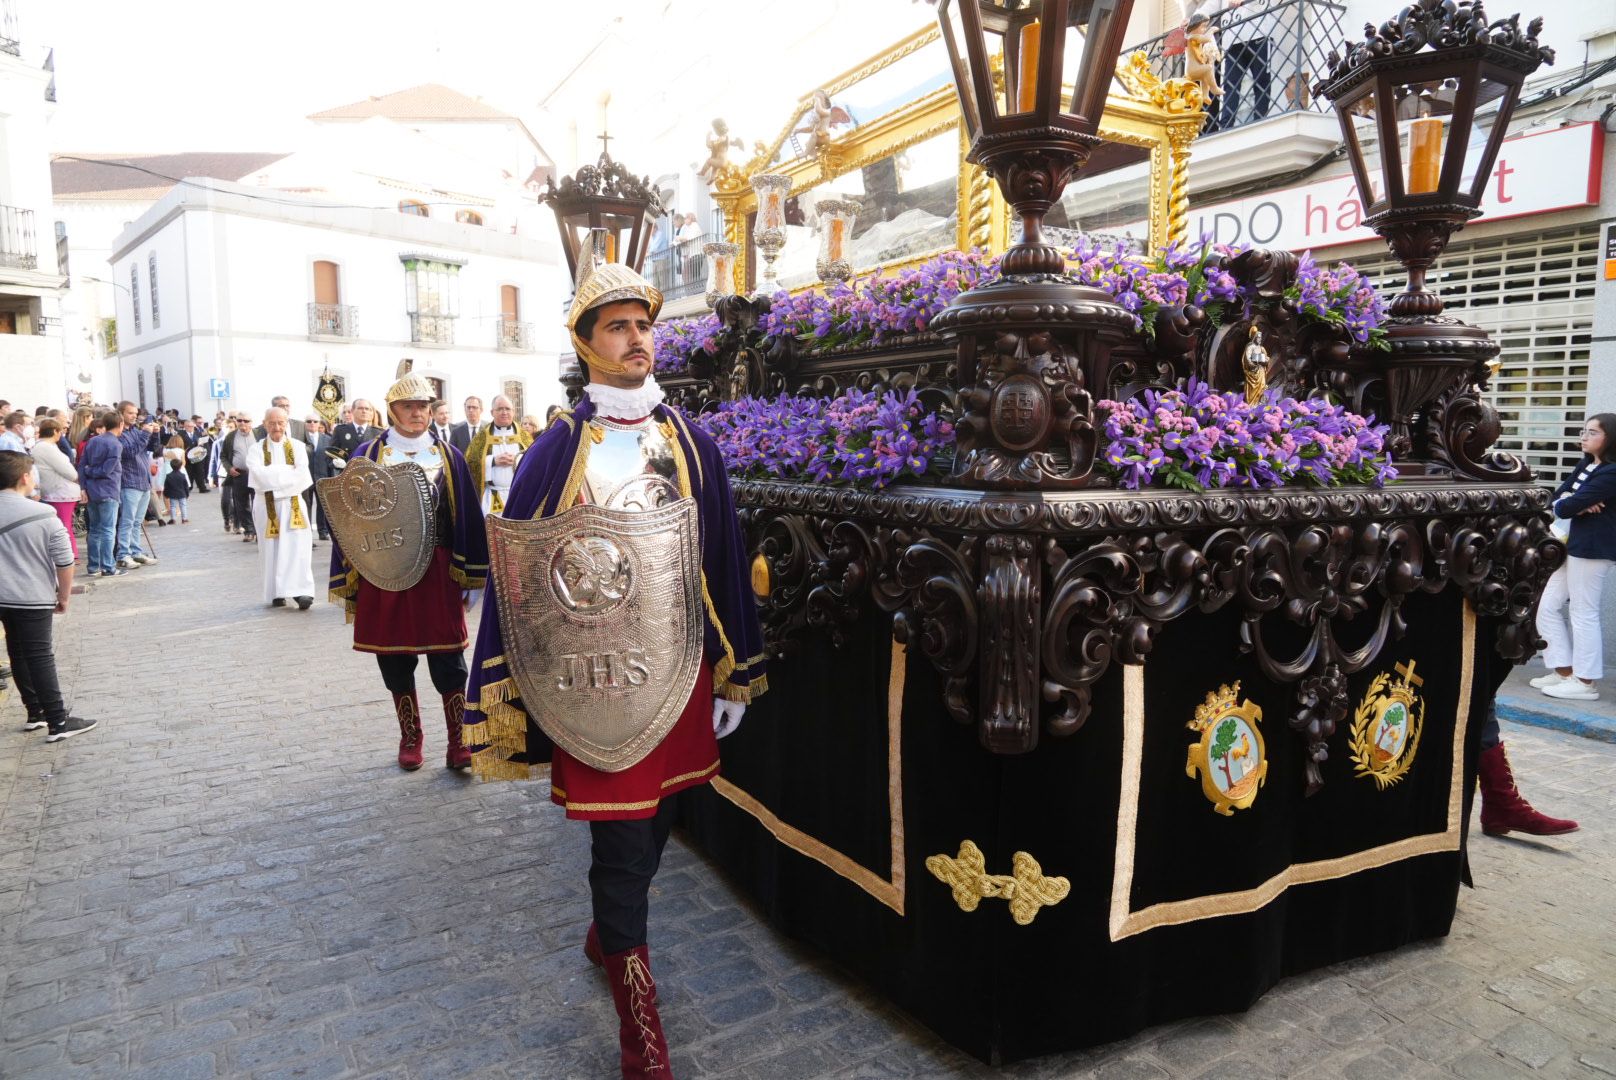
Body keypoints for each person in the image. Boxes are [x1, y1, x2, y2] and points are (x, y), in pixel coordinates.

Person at [463, 261, 765, 1077]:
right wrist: (512, 681)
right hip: (595, 679)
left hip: (678, 671)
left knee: (661, 817)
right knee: (623, 845)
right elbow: (516, 575)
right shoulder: (556, 451)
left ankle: (607, 937)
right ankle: (639, 1021)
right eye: (618, 327)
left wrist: (733, 668)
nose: (637, 340)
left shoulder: (689, 442)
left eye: (643, 325)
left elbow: (724, 556)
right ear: (587, 345)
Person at [328, 374, 488, 770]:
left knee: (448, 659)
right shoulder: (368, 454)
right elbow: (348, 518)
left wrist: (469, 577)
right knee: (395, 659)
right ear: (392, 410)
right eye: (408, 406)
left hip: (438, 571)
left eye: (423, 406)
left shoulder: (449, 456)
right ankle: (411, 735)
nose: (417, 413)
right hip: (385, 571)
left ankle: (459, 740)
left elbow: (466, 515)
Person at [0, 451, 95, 741]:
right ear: (25, 478)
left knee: (17, 651)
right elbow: (65, 561)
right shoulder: (42, 514)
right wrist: (64, 596)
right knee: (40, 655)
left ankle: (35, 713)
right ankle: (58, 721)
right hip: (31, 594)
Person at [1534, 413, 1616, 702]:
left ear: (1610, 438)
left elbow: (1568, 505)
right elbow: (1558, 499)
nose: (1584, 437)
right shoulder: (1587, 464)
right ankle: (1564, 671)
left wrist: (1571, 505)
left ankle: (1585, 682)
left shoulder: (1610, 472)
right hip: (1570, 544)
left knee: (1583, 612)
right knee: (1546, 606)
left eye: (1593, 432)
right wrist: (1573, 505)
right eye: (1584, 431)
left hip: (1593, 549)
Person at [249, 408, 316, 610]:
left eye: (280, 422)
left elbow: (301, 475)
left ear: (287, 423)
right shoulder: (256, 449)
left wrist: (273, 477)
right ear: (264, 424)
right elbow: (258, 475)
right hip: (266, 506)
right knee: (271, 549)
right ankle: (276, 592)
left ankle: (300, 591)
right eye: (272, 423)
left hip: (292, 504)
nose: (276, 427)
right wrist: (286, 473)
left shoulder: (297, 446)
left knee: (298, 548)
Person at [113, 401, 161, 568]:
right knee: (127, 520)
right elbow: (129, 452)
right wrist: (145, 434)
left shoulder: (136, 431)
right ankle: (123, 554)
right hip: (129, 481)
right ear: (121, 414)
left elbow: (153, 448)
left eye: (135, 413)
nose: (134, 416)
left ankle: (136, 551)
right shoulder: (119, 434)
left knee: (137, 521)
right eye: (130, 413)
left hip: (143, 480)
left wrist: (154, 434)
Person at [78, 411, 126, 577]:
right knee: (107, 530)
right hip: (108, 490)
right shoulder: (115, 444)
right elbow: (106, 470)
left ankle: (93, 567)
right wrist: (90, 471)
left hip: (92, 490)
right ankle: (108, 566)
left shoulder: (93, 441)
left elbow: (82, 464)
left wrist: (84, 485)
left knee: (95, 530)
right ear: (120, 425)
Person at [465, 394, 530, 515]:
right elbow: (470, 462)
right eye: (499, 409)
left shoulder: (524, 436)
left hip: (519, 495)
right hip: (493, 496)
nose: (504, 412)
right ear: (492, 412)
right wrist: (493, 461)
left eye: (507, 409)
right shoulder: (482, 437)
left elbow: (535, 462)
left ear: (513, 411)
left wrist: (518, 460)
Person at [30, 420, 80, 560]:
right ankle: (70, 555)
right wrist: (76, 476)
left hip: (56, 491)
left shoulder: (43, 446)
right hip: (59, 491)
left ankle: (69, 554)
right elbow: (69, 472)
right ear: (55, 431)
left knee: (63, 525)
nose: (62, 434)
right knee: (64, 526)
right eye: (61, 431)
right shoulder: (47, 447)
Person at [221, 414, 259, 540]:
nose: (242, 423)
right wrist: (229, 468)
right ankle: (248, 530)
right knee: (241, 504)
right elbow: (223, 456)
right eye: (239, 420)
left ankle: (259, 530)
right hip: (239, 474)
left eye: (246, 420)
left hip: (257, 474)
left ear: (251, 422)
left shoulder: (259, 434)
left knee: (258, 503)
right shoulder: (231, 436)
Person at [329, 399, 382, 469]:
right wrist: (335, 463)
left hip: (370, 476)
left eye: (367, 409)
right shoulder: (340, 431)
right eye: (360, 408)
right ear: (353, 411)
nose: (364, 411)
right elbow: (330, 455)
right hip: (347, 475)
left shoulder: (378, 433)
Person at [305, 417, 334, 540]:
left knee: (323, 505)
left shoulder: (327, 439)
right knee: (306, 505)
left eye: (315, 421)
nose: (312, 423)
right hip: (305, 477)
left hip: (322, 476)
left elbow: (331, 458)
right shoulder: (300, 439)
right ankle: (307, 533)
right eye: (309, 421)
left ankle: (322, 531)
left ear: (319, 424)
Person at [163, 458, 191, 525]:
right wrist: (187, 494)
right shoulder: (182, 476)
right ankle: (184, 519)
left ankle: (173, 519)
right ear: (180, 466)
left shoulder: (168, 476)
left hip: (172, 494)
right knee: (183, 506)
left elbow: (166, 486)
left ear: (171, 466)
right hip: (182, 494)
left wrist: (166, 494)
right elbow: (186, 486)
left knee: (173, 506)